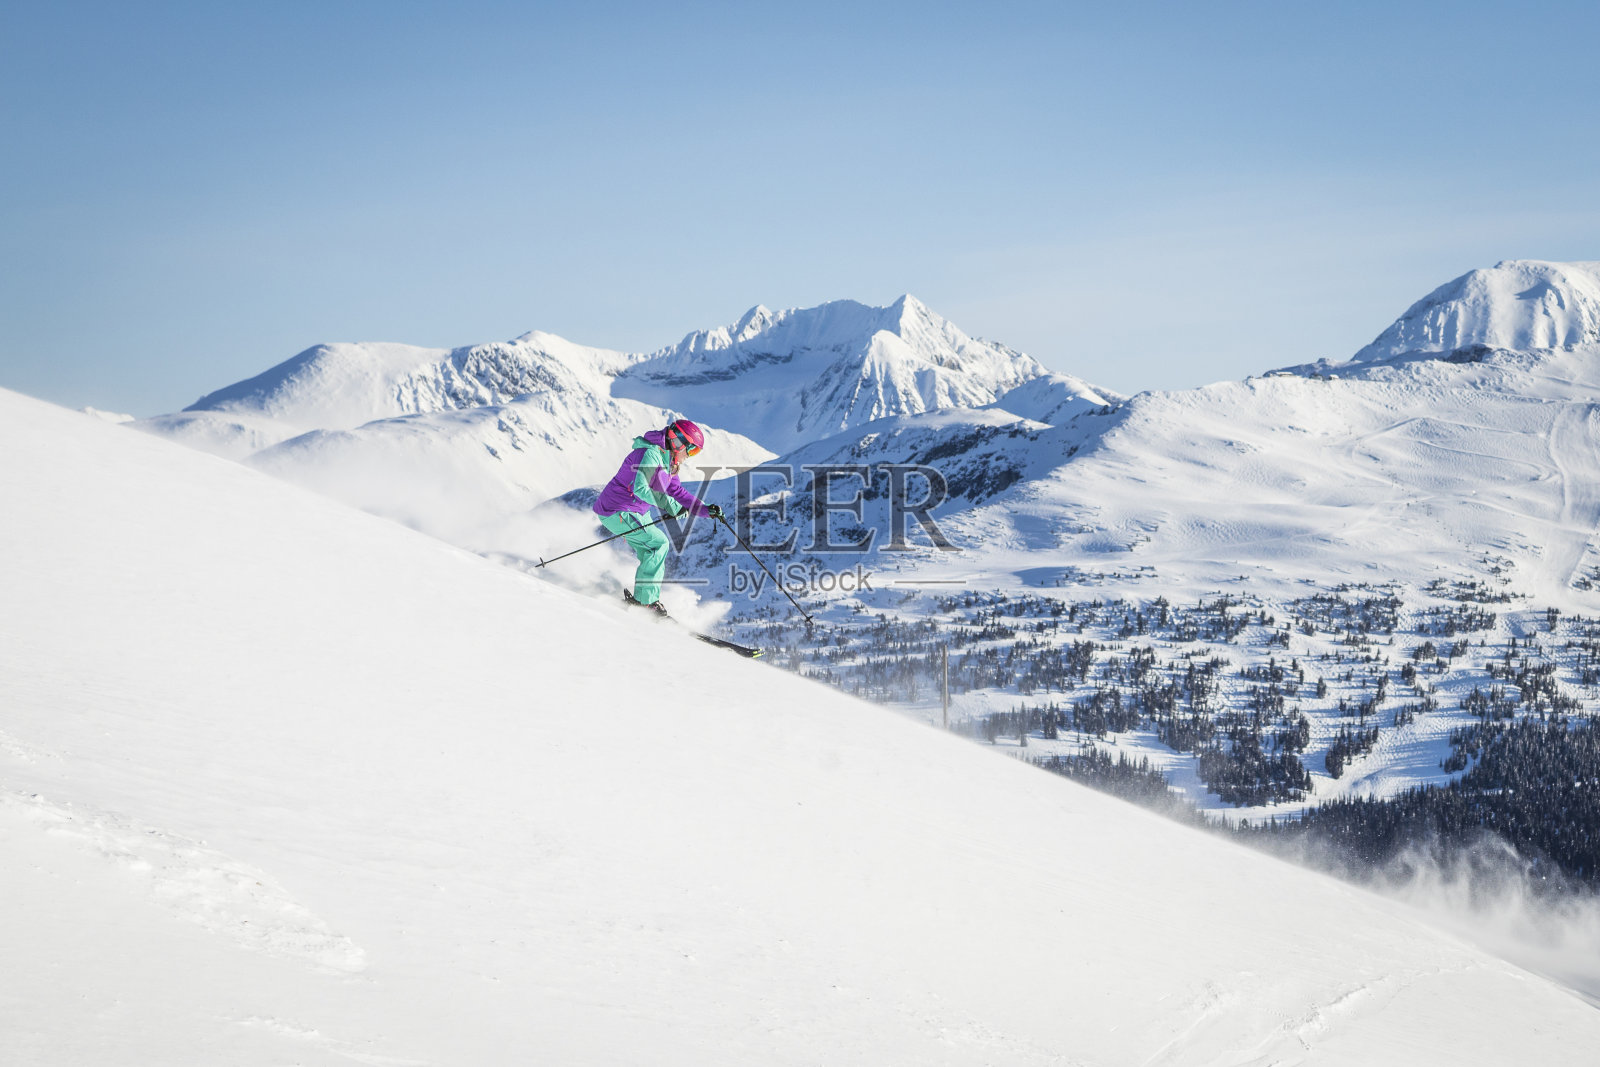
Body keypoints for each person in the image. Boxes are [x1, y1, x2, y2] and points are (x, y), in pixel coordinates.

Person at [592, 418, 724, 616]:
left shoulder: (667, 461)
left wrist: (705, 510)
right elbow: (640, 487)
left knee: (654, 548)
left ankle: (644, 600)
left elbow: (677, 492)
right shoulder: (651, 454)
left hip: (632, 511)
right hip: (618, 510)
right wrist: (671, 506)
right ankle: (645, 602)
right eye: (692, 449)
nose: (690, 455)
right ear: (679, 442)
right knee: (658, 544)